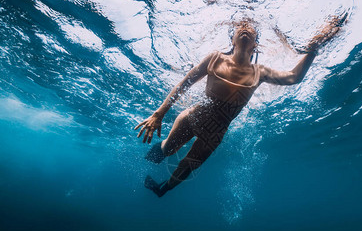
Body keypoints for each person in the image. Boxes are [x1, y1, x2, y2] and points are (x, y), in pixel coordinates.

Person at [134, 15, 346, 197]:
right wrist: (159, 113)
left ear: (256, 44)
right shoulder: (214, 58)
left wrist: (314, 48)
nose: (245, 28)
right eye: (239, 28)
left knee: (187, 167)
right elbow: (185, 83)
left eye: (251, 29)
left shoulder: (259, 72)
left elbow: (293, 77)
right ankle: (154, 156)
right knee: (168, 149)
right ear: (233, 39)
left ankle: (162, 190)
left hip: (215, 135)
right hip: (193, 117)